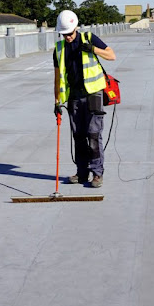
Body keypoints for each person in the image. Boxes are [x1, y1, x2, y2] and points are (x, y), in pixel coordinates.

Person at [53, 10, 116, 188]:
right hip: (73, 97)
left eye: (70, 34)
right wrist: (57, 102)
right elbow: (57, 78)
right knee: (79, 137)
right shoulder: (59, 49)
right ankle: (82, 173)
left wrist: (93, 49)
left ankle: (97, 174)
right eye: (64, 34)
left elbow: (112, 55)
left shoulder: (89, 38)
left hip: (93, 95)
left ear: (76, 29)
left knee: (94, 135)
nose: (68, 38)